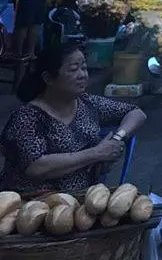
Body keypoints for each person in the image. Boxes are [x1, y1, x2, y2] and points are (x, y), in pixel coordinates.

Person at [0, 40, 146, 194]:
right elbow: (36, 167)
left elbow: (136, 113)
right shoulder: (27, 117)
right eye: (73, 69)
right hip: (33, 205)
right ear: (48, 78)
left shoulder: (87, 103)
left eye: (84, 68)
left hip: (84, 202)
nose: (82, 75)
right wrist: (97, 153)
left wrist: (116, 139)